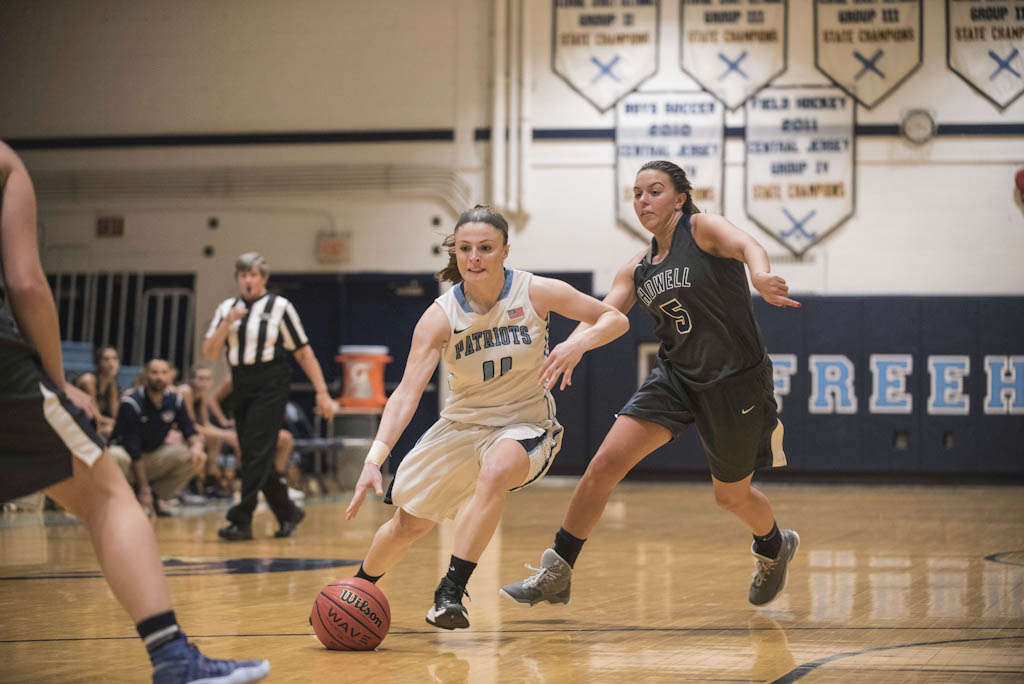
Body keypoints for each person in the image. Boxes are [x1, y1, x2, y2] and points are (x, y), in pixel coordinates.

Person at [0, 140, 270, 683]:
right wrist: (56, 381)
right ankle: (173, 657)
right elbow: (26, 282)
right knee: (107, 498)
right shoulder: (5, 162)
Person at [501, 160, 802, 609]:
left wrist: (759, 274)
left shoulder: (701, 229)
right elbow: (605, 317)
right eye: (637, 193)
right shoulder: (636, 270)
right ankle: (557, 570)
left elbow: (748, 244)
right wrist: (575, 345)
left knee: (731, 497)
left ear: (679, 197)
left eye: (654, 191)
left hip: (734, 382)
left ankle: (774, 546)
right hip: (675, 377)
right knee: (604, 465)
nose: (644, 200)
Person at [345, 205, 629, 630]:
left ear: (504, 251)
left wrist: (577, 345)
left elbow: (616, 318)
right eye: (465, 248)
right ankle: (355, 591)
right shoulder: (440, 317)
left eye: (485, 248)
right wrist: (374, 458)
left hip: (527, 424)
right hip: (461, 427)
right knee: (407, 525)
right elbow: (405, 393)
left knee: (496, 470)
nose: (474, 257)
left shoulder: (536, 292)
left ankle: (450, 592)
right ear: (455, 253)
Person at [202, 251, 335, 540]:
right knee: (253, 453)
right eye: (243, 275)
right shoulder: (227, 308)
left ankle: (241, 519)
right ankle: (288, 511)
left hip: (271, 381)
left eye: (252, 275)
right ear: (237, 279)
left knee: (257, 450)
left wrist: (322, 391)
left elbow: (302, 350)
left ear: (263, 278)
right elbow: (209, 352)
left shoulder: (280, 306)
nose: (247, 280)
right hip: (241, 381)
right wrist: (228, 323)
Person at [108, 358, 207, 516]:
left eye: (163, 372)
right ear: (145, 375)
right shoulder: (131, 402)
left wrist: (196, 445)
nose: (159, 377)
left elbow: (189, 430)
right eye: (154, 372)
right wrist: (143, 488)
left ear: (170, 376)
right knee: (114, 455)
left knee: (197, 456)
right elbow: (133, 448)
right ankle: (124, 499)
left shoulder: (175, 400)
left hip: (151, 456)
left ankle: (155, 498)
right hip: (127, 458)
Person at [74, 345, 121, 437]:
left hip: (95, 425)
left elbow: (115, 414)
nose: (111, 364)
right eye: (106, 359)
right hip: (78, 423)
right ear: (97, 363)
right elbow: (95, 417)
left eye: (114, 359)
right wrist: (118, 424)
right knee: (111, 431)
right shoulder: (88, 381)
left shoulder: (112, 384)